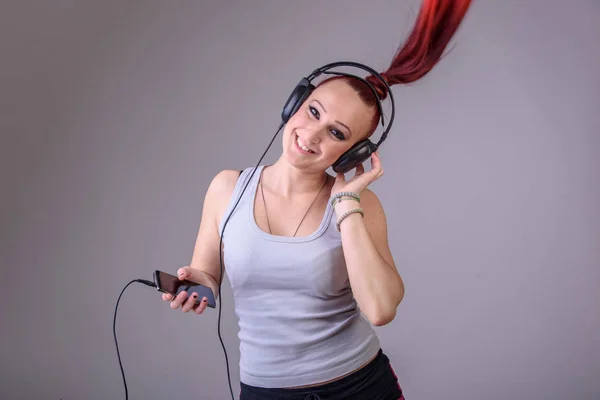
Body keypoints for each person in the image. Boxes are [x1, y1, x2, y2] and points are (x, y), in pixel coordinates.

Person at [162, 0, 472, 398]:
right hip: (266, 390)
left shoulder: (359, 207)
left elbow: (380, 309)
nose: (311, 135)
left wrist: (346, 205)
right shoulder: (226, 188)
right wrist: (193, 284)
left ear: (353, 153)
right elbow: (208, 274)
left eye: (337, 134)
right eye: (312, 111)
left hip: (359, 386)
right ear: (294, 104)